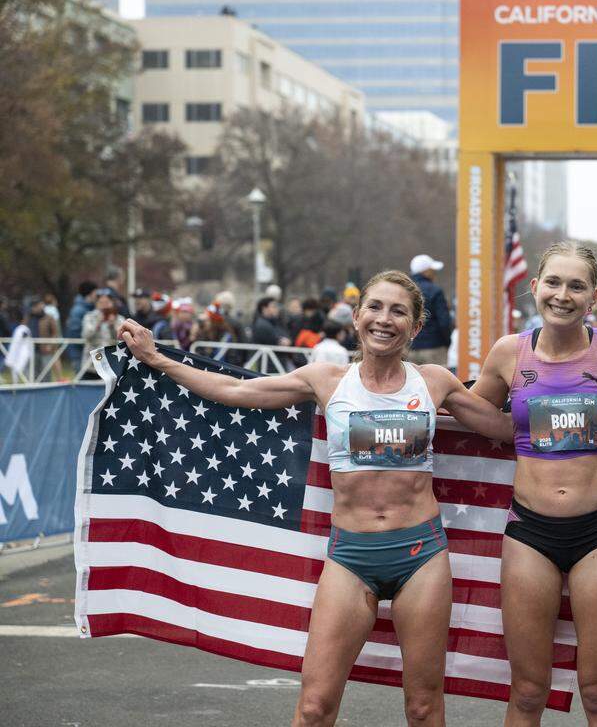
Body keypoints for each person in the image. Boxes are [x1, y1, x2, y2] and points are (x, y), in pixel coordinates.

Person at [117, 270, 513, 727]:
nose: (384, 319)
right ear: (357, 316)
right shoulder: (326, 379)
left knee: (424, 708)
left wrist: (576, 401)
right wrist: (156, 358)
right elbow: (236, 392)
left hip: (420, 555)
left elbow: (502, 429)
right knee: (313, 707)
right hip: (350, 556)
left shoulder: (434, 382)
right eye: (375, 307)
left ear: (416, 327)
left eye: (398, 311)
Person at [471, 241, 597, 726]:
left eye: (576, 286)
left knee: (596, 690)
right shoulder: (509, 353)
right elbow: (465, 414)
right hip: (529, 532)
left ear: (594, 297)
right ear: (535, 288)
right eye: (553, 282)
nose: (562, 295)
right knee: (528, 691)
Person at [408, 254, 451, 366]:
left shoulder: (404, 290)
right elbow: (444, 322)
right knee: (437, 382)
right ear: (425, 271)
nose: (434, 273)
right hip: (434, 348)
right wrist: (447, 342)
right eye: (432, 270)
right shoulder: (435, 291)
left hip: (409, 349)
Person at [81, 290, 126, 377]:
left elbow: (121, 339)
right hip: (91, 364)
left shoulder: (119, 319)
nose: (104, 305)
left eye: (107, 302)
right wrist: (97, 324)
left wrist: (112, 326)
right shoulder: (89, 317)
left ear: (112, 303)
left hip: (111, 362)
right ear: (96, 304)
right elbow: (86, 336)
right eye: (101, 302)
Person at [65, 281, 98, 368]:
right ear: (90, 294)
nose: (97, 296)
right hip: (79, 353)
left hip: (86, 351)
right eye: (95, 293)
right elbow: (74, 333)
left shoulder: (90, 308)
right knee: (81, 379)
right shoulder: (78, 310)